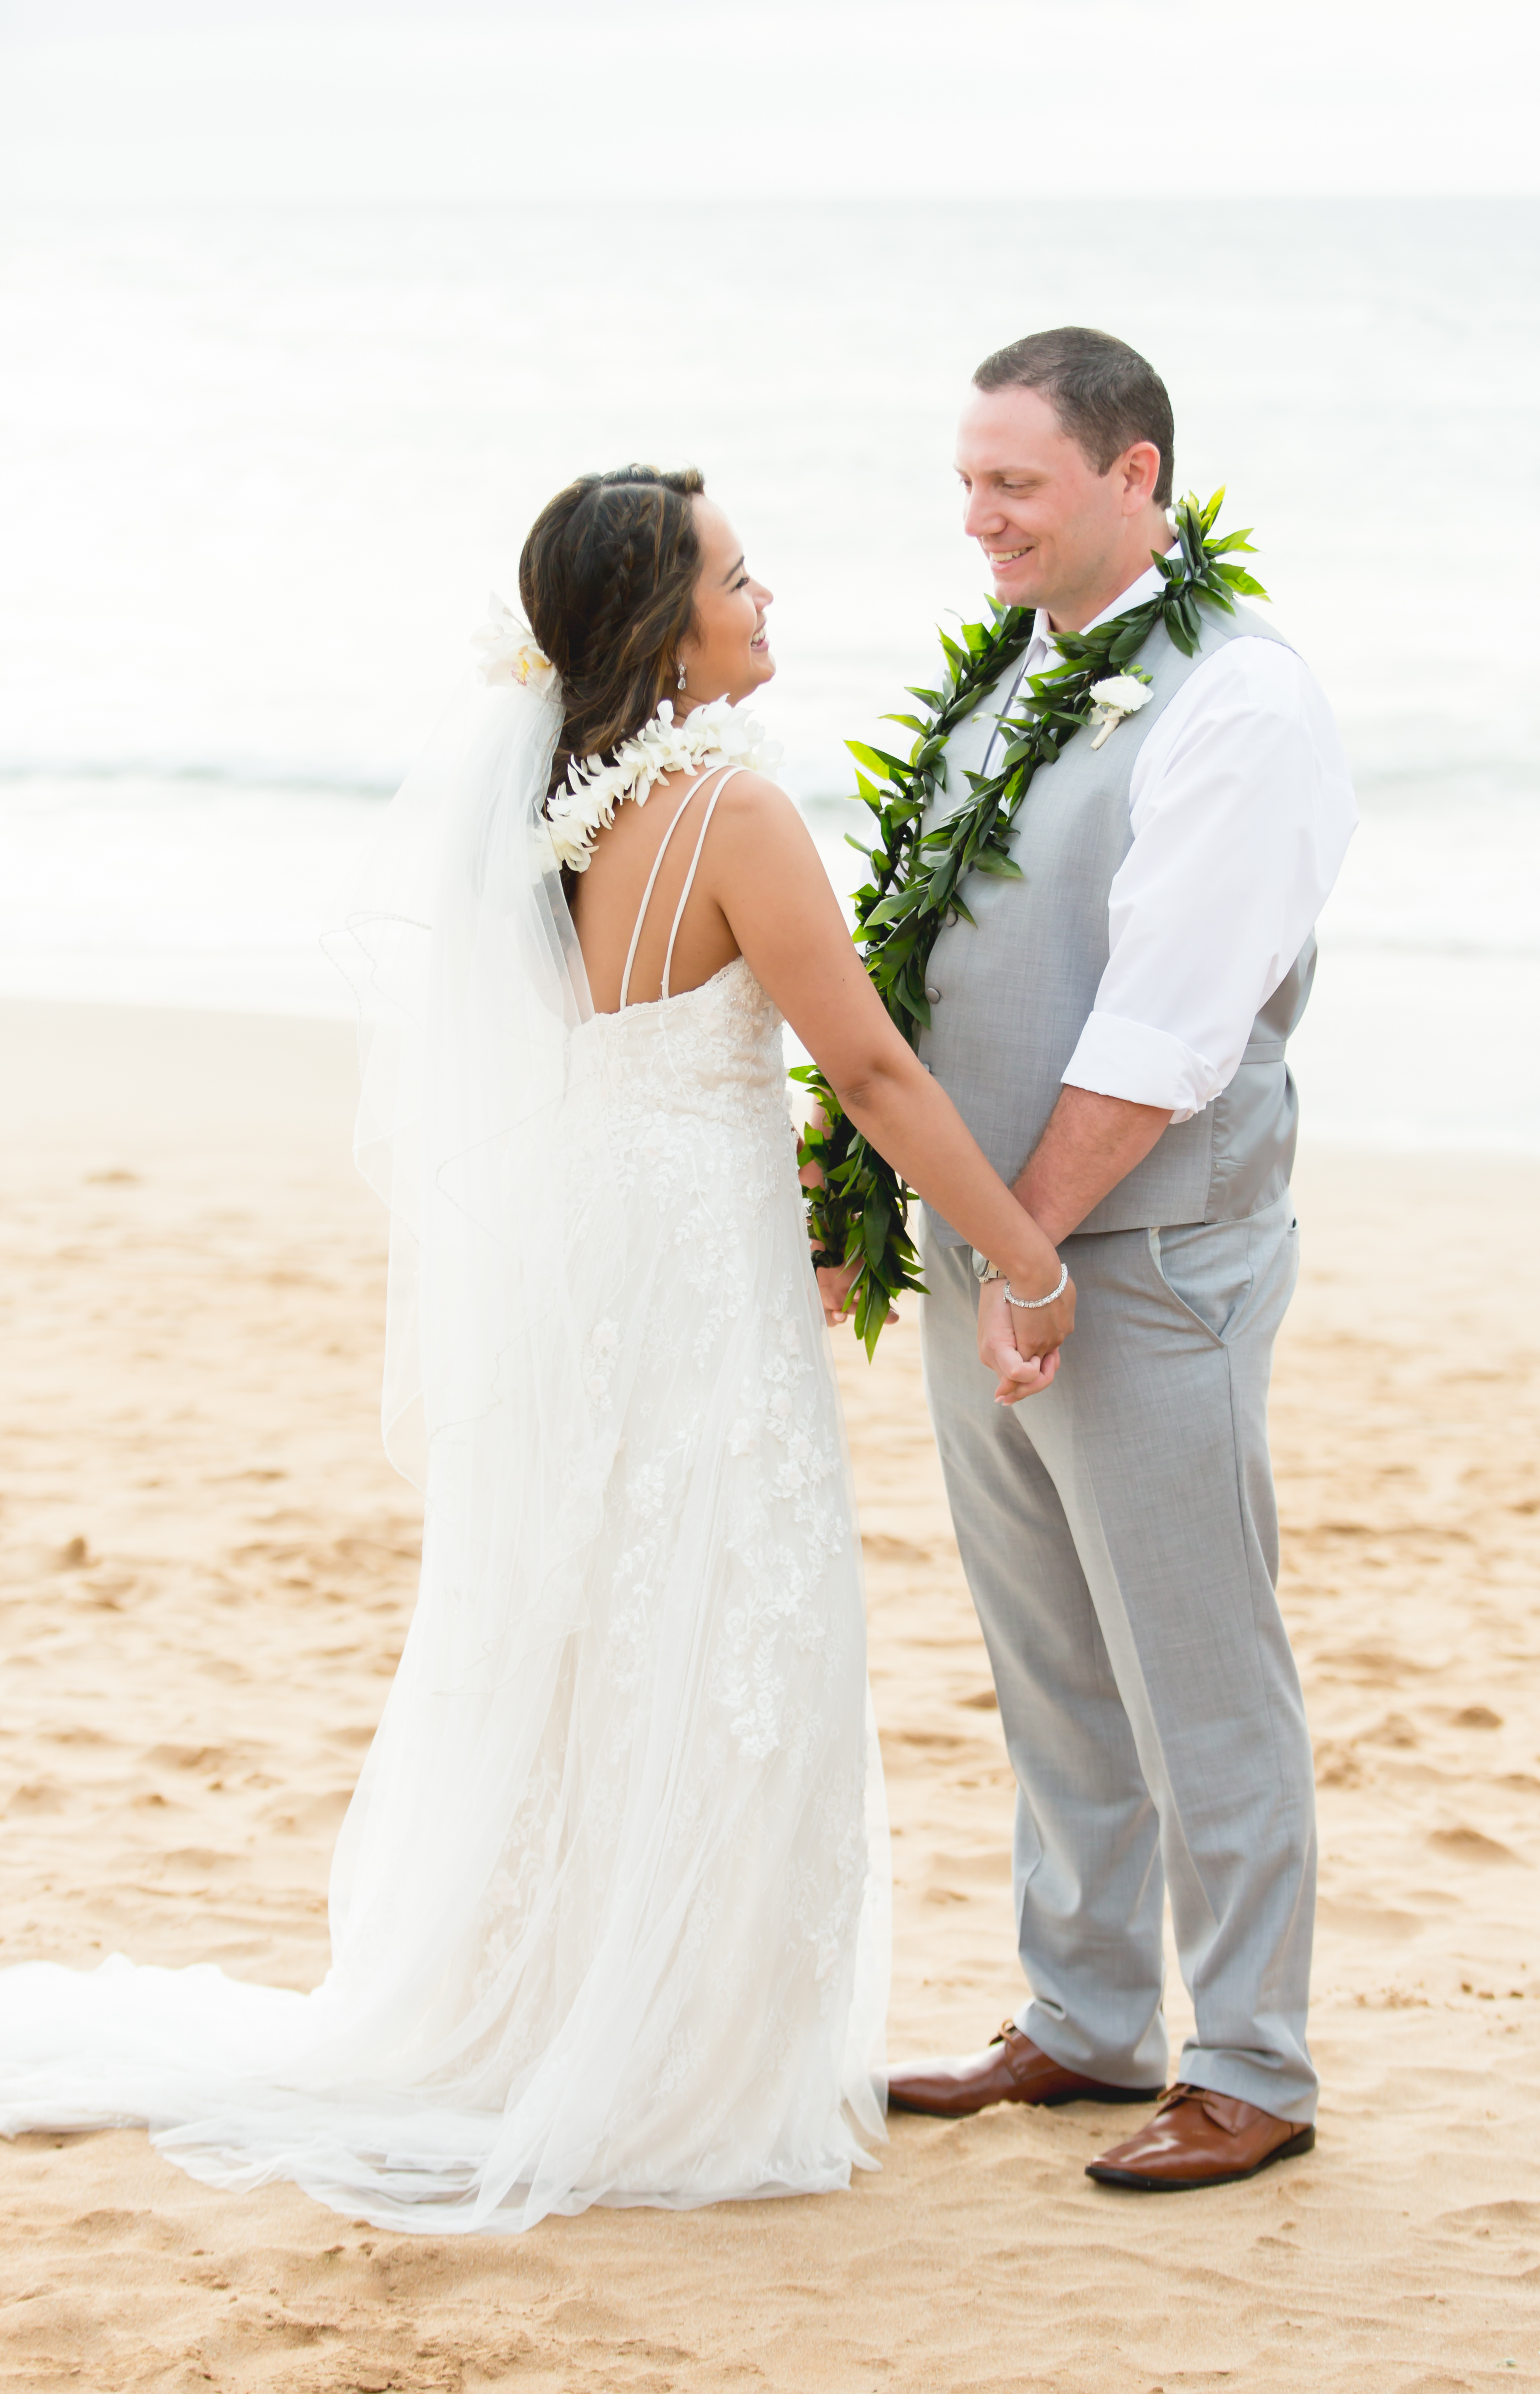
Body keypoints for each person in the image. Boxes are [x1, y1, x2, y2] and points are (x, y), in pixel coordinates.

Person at [0, 464, 1072, 2234]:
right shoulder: (731, 806)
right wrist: (1022, 1257)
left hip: (598, 1263)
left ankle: (573, 2004)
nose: (768, 597)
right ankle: (672, 2048)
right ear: (666, 626)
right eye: (740, 576)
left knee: (596, 1621)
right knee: (721, 1612)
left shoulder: (557, 810)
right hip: (696, 1275)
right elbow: (869, 1074)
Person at [863, 330, 1357, 2190]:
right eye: (969, 481)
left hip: (1139, 1263)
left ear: (1133, 474)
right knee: (1050, 1660)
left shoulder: (1237, 700)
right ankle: (1084, 2017)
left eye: (1018, 484)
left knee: (1199, 1664)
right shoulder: (1015, 680)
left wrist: (1033, 1252)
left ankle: (1252, 2058)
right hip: (1000, 1255)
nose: (979, 517)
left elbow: (1165, 1029)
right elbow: (922, 963)